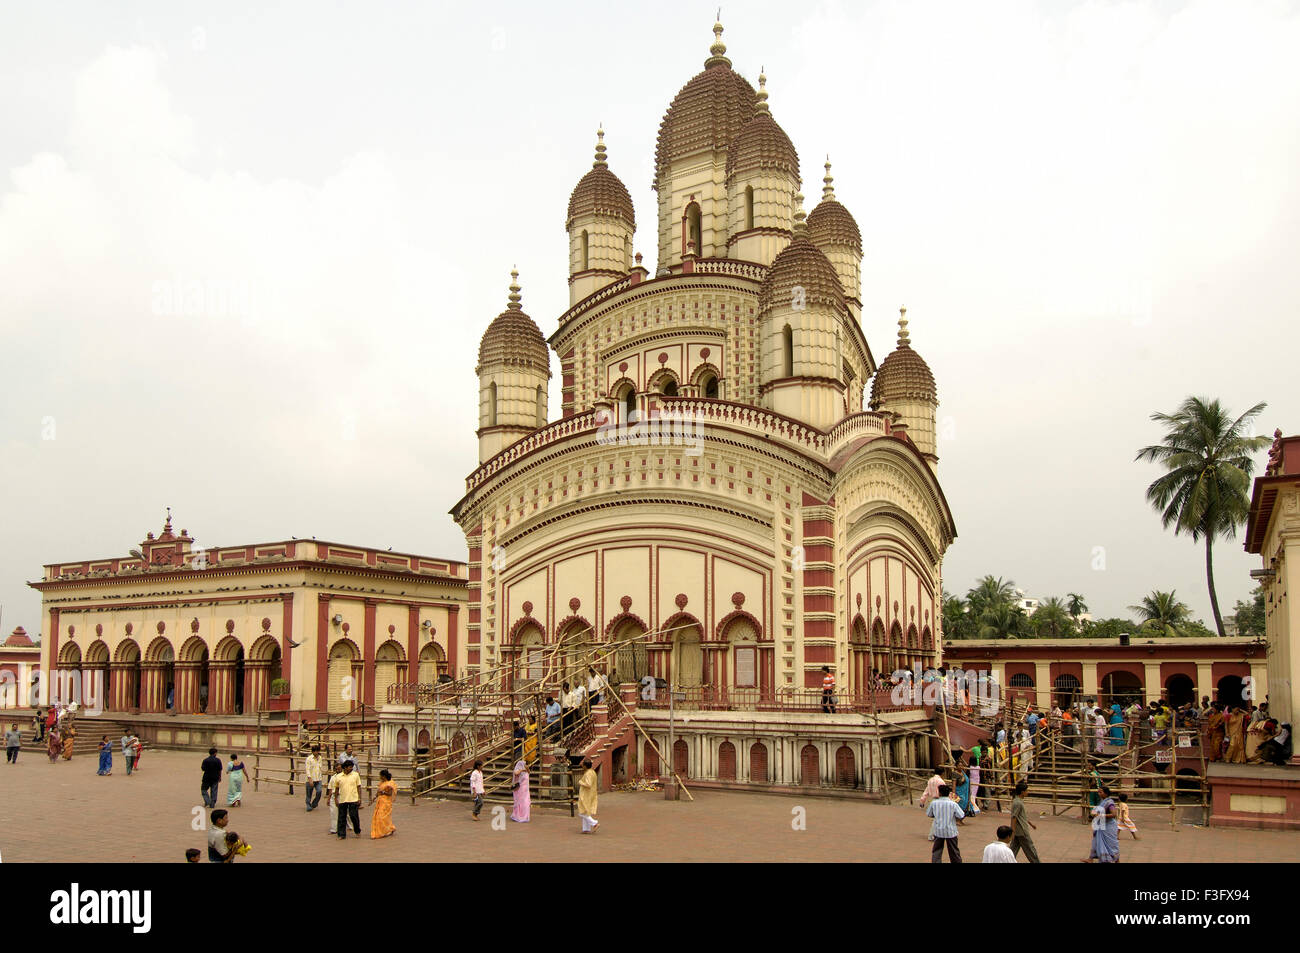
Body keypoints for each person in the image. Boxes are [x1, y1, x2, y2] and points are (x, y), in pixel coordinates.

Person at [926, 784, 964, 863]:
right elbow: (961, 815)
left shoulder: (934, 803)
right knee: (954, 851)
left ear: (939, 793)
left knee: (937, 851)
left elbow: (929, 814)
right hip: (951, 831)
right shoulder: (953, 804)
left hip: (938, 830)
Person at [1086, 784, 1120, 863]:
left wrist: (1101, 815)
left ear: (1106, 793)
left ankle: (1116, 860)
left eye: (1100, 792)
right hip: (1101, 826)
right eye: (1098, 792)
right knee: (1096, 842)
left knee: (1111, 845)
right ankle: (1091, 858)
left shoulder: (1109, 803)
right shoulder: (1102, 801)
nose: (1099, 794)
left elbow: (1114, 814)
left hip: (1108, 827)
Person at [1009, 781, 1040, 863]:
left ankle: (1006, 861)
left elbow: (1022, 816)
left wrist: (1031, 824)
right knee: (1030, 849)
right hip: (1022, 831)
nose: (1027, 792)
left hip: (1018, 831)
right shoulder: (1017, 803)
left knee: (1013, 849)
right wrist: (1012, 831)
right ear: (1022, 792)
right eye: (1027, 791)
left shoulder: (1018, 801)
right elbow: (1014, 818)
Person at [334, 761, 363, 838]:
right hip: (343, 799)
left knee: (353, 816)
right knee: (341, 817)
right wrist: (336, 799)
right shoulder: (339, 776)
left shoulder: (355, 775)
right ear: (345, 768)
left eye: (352, 767)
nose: (351, 768)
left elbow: (359, 787)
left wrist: (359, 798)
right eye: (350, 767)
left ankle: (357, 830)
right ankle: (341, 834)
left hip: (353, 799)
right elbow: (336, 789)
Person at [370, 768, 396, 838]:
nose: (380, 777)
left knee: (382, 817)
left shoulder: (390, 784)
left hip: (386, 802)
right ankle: (383, 830)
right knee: (378, 816)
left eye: (381, 776)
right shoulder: (382, 783)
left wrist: (383, 792)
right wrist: (374, 798)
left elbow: (389, 793)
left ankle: (386, 830)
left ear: (384, 776)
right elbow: (378, 791)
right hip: (380, 801)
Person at [577, 757, 599, 833]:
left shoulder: (588, 774)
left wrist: (580, 782)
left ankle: (594, 823)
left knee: (582, 811)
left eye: (583, 765)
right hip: (591, 793)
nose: (582, 766)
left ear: (585, 766)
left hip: (586, 794)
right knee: (586, 811)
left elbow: (588, 784)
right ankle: (586, 829)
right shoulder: (592, 772)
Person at [304, 744, 324, 812]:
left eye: (317, 751)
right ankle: (308, 805)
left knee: (319, 791)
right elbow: (307, 769)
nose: (316, 753)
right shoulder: (309, 759)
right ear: (312, 752)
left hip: (318, 778)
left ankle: (315, 803)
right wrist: (309, 779)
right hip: (311, 778)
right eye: (314, 751)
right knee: (309, 793)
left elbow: (320, 768)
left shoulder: (320, 758)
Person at [511, 758, 531, 823]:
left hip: (526, 790)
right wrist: (522, 769)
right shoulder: (518, 771)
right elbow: (516, 773)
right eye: (524, 764)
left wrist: (526, 768)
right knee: (520, 802)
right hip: (520, 790)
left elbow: (529, 772)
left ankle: (525, 816)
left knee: (526, 802)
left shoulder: (526, 772)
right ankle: (518, 815)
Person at [325, 764, 342, 834]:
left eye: (340, 769)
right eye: (337, 769)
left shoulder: (344, 777)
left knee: (344, 813)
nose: (339, 770)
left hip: (342, 796)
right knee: (334, 813)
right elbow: (330, 789)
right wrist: (328, 799)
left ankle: (348, 827)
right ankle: (334, 829)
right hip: (333, 796)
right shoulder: (333, 778)